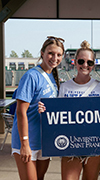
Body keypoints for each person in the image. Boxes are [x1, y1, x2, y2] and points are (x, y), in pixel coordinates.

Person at [38, 40, 100, 180]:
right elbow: (56, 116)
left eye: (89, 62)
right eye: (81, 61)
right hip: (70, 147)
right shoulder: (65, 87)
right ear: (75, 62)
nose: (85, 65)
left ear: (93, 65)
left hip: (95, 146)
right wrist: (44, 110)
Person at [11, 36, 65, 180]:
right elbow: (21, 111)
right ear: (42, 53)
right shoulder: (31, 76)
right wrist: (24, 143)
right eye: (51, 53)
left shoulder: (53, 77)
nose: (55, 58)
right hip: (28, 140)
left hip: (44, 140)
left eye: (59, 55)